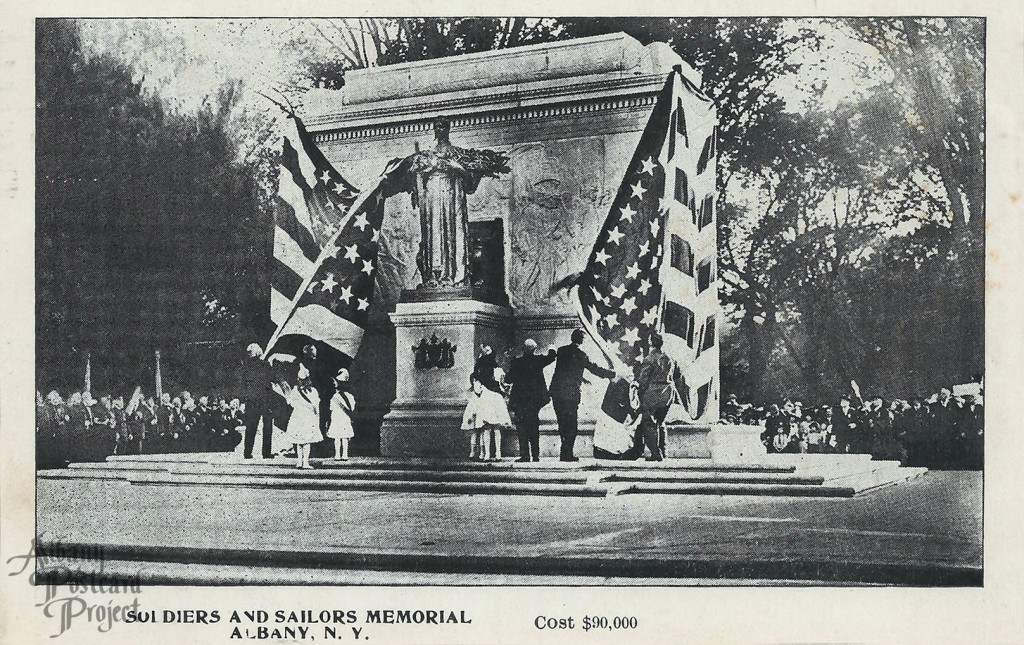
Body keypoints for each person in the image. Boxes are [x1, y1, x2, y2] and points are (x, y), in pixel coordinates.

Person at [549, 329, 615, 461]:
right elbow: (594, 369)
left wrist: (581, 378)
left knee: (562, 423)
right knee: (572, 425)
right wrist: (611, 373)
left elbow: (566, 370)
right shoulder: (581, 355)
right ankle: (567, 454)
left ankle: (564, 453)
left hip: (557, 392)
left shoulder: (561, 351)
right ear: (582, 340)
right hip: (571, 394)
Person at [504, 339, 557, 462]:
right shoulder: (538, 360)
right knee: (534, 427)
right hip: (534, 401)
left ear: (523, 349)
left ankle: (525, 455)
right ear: (534, 349)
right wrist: (552, 347)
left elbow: (508, 379)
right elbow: (551, 357)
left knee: (522, 428)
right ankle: (536, 455)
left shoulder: (517, 362)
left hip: (520, 401)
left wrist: (510, 362)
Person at [635, 333, 683, 462]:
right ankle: (664, 450)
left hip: (653, 393)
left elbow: (643, 380)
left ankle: (656, 453)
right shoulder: (670, 357)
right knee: (661, 422)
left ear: (651, 343)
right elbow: (678, 375)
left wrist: (639, 392)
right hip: (668, 393)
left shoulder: (649, 359)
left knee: (649, 422)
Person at [462, 373, 512, 461]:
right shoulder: (489, 381)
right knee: (491, 429)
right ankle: (493, 453)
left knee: (490, 429)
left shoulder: (481, 382)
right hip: (490, 402)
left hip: (489, 402)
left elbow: (478, 392)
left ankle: (491, 454)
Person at [282, 368, 322, 469]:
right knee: (306, 441)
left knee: (299, 441)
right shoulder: (313, 391)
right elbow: (316, 405)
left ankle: (299, 462)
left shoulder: (295, 390)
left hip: (297, 416)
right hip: (308, 417)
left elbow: (290, 403)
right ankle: (305, 462)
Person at [241, 343, 275, 459]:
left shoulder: (245, 366)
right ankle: (266, 452)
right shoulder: (265, 365)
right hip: (265, 399)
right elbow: (271, 380)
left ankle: (247, 452)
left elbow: (242, 384)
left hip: (251, 400)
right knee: (267, 426)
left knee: (251, 426)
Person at [327, 368, 356, 460]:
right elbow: (352, 408)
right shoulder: (350, 396)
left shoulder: (335, 397)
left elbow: (331, 408)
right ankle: (344, 454)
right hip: (345, 417)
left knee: (337, 437)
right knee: (344, 437)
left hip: (337, 417)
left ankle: (337, 455)